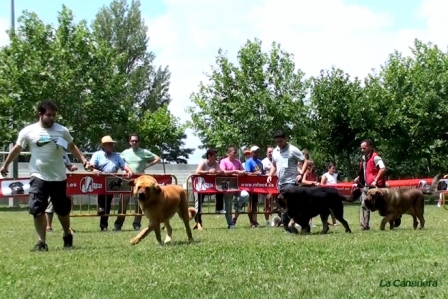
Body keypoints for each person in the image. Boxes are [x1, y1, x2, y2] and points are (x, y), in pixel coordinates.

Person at [0, 100, 91, 251]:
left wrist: (84, 161)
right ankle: (41, 242)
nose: (52, 118)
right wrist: (6, 164)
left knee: (62, 210)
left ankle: (67, 233)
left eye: (54, 115)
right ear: (40, 114)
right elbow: (17, 148)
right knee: (37, 208)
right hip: (38, 175)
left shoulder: (62, 131)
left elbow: (71, 146)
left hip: (58, 176)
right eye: (49, 115)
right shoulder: (28, 131)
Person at [116, 133, 160, 231]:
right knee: (123, 202)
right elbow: (120, 163)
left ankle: (137, 224)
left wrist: (147, 165)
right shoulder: (125, 152)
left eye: (136, 141)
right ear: (129, 142)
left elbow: (158, 159)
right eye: (132, 141)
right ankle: (118, 224)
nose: (134, 142)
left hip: (140, 181)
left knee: (139, 203)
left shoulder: (144, 152)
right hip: (127, 180)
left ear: (139, 142)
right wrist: (124, 170)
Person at [89, 135, 134, 231]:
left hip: (111, 182)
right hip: (100, 180)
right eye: (108, 144)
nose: (110, 146)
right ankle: (101, 208)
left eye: (111, 144)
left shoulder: (116, 156)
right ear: (103, 145)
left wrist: (128, 170)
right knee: (102, 198)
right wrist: (94, 169)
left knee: (108, 203)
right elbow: (91, 165)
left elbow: (124, 165)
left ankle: (103, 225)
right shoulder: (97, 154)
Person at [267, 130, 307, 233]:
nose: (279, 144)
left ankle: (289, 225)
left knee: (289, 207)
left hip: (291, 183)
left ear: (286, 139)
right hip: (280, 183)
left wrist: (301, 173)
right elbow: (274, 165)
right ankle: (297, 226)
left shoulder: (293, 150)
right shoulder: (275, 151)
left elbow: (304, 161)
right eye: (277, 142)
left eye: (280, 141)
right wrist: (270, 175)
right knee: (285, 207)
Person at [354, 139, 387, 231]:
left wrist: (376, 180)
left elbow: (383, 169)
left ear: (370, 147)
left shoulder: (376, 158)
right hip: (367, 186)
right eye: (361, 148)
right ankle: (365, 226)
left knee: (384, 207)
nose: (362, 150)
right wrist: (359, 178)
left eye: (364, 148)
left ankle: (395, 219)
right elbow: (365, 172)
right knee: (364, 204)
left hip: (377, 187)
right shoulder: (364, 159)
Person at [46, 153, 78, 232]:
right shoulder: (48, 150)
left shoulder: (63, 153)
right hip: (49, 180)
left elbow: (68, 165)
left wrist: (72, 167)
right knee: (50, 203)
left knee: (63, 205)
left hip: (61, 181)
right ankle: (48, 226)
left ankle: (67, 228)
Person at [195, 148, 222, 230]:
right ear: (209, 156)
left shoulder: (216, 163)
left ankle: (219, 208)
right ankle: (198, 222)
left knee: (220, 191)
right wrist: (208, 172)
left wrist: (216, 171)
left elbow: (220, 171)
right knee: (199, 204)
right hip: (201, 187)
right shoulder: (203, 162)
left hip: (211, 186)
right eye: (214, 155)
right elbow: (197, 171)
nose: (216, 157)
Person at [220, 146, 246, 229]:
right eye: (234, 152)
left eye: (236, 153)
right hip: (226, 186)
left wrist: (242, 172)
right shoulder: (223, 161)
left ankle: (237, 206)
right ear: (229, 153)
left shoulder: (238, 162)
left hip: (237, 186)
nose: (236, 154)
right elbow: (223, 171)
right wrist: (235, 171)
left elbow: (243, 170)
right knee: (228, 206)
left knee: (245, 195)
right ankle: (230, 224)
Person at [244, 146, 263, 228]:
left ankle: (255, 221)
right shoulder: (248, 162)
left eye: (258, 152)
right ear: (251, 153)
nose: (256, 153)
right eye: (255, 152)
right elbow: (247, 173)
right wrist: (255, 173)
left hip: (258, 186)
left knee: (255, 204)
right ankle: (251, 222)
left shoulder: (260, 162)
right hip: (250, 186)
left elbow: (262, 173)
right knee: (250, 204)